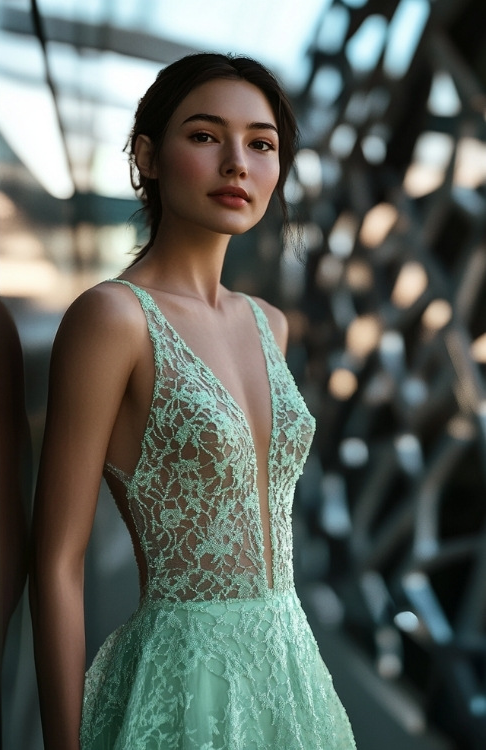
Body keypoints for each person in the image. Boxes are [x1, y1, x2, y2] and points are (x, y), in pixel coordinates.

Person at [30, 53, 356, 749]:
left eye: (261, 144)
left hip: (293, 672)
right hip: (184, 689)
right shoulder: (113, 319)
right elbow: (57, 560)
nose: (237, 162)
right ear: (147, 156)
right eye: (206, 136)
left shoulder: (271, 323)